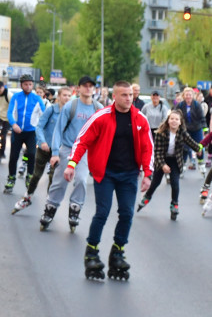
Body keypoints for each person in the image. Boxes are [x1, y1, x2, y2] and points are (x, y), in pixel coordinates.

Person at [63, 81, 154, 281]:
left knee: (127, 214)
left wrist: (148, 173)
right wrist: (72, 164)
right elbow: (82, 140)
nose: (129, 98)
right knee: (102, 212)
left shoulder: (140, 119)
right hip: (105, 173)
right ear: (115, 96)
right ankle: (92, 251)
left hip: (129, 174)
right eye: (124, 95)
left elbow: (148, 147)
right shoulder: (102, 117)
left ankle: (118, 252)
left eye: (130, 95)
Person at [40, 76, 105, 231]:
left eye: (91, 86)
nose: (88, 88)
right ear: (79, 88)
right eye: (85, 86)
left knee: (82, 180)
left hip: (86, 152)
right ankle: (50, 209)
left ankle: (75, 209)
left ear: (94, 89)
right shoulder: (71, 106)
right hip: (68, 149)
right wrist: (55, 152)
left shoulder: (98, 108)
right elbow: (58, 130)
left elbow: (103, 134)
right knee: (59, 182)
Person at [12, 86, 70, 214]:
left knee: (53, 178)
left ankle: (50, 204)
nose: (67, 98)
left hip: (59, 152)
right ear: (59, 96)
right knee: (36, 175)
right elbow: (39, 126)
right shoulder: (51, 110)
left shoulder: (70, 113)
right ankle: (27, 197)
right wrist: (42, 141)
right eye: (64, 95)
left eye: (69, 96)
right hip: (44, 148)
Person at [137, 110, 203, 219]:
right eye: (172, 119)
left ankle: (174, 204)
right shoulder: (160, 133)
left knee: (175, 182)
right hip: (161, 158)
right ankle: (147, 197)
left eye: (176, 119)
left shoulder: (182, 133)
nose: (174, 121)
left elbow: (193, 144)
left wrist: (201, 147)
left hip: (175, 160)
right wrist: (163, 165)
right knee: (155, 182)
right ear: (168, 121)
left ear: (180, 122)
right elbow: (157, 152)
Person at [6, 74, 46, 193]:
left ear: (32, 85)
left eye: (30, 84)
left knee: (32, 155)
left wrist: (42, 128)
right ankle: (11, 178)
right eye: (25, 84)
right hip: (17, 132)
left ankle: (29, 176)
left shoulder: (37, 99)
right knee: (14, 156)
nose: (28, 87)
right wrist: (13, 124)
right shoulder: (16, 97)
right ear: (21, 85)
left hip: (31, 133)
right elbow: (10, 112)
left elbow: (44, 115)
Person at [175, 87, 206, 169]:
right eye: (186, 95)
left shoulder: (197, 105)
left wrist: (205, 129)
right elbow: (175, 115)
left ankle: (200, 162)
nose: (188, 96)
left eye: (190, 95)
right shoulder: (180, 105)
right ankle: (183, 163)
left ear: (193, 95)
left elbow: (202, 117)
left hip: (196, 129)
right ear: (184, 96)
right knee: (184, 147)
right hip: (185, 130)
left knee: (199, 146)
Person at [0, 80, 11, 163]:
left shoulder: (9, 95)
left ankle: (2, 152)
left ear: (3, 87)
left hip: (7, 119)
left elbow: (15, 107)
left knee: (3, 135)